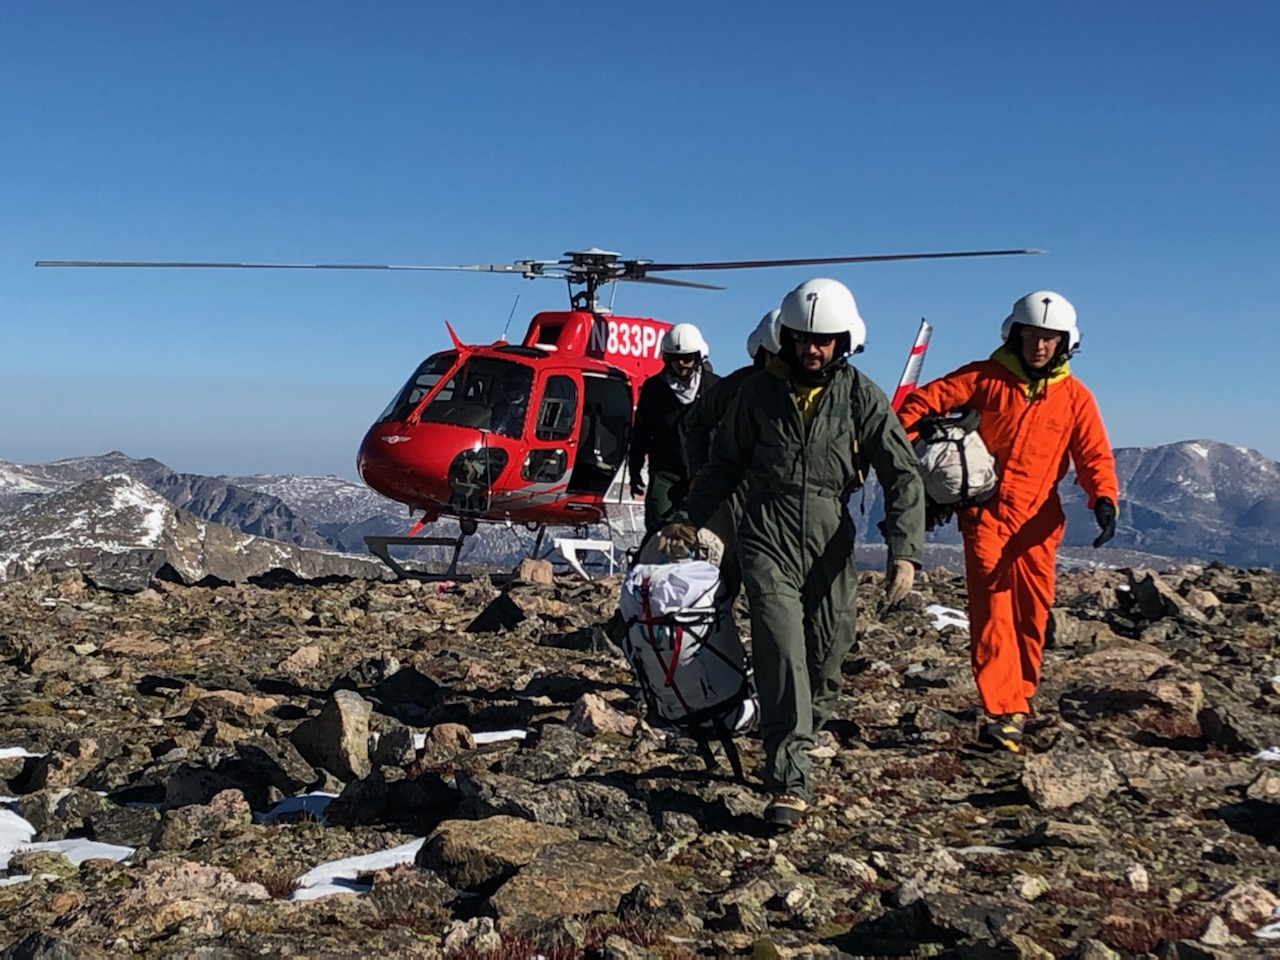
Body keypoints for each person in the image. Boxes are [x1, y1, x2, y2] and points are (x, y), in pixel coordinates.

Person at [661, 278, 924, 825]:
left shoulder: (861, 396)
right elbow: (724, 464)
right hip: (767, 533)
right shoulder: (756, 394)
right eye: (804, 338)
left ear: (842, 342)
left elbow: (901, 471)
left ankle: (807, 721)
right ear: (787, 337)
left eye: (824, 340)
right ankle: (788, 776)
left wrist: (905, 550)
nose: (812, 348)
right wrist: (688, 516)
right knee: (781, 650)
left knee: (829, 649)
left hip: (831, 537)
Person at [896, 291, 1119, 753]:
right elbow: (918, 404)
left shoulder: (1076, 398)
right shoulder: (984, 377)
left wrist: (1104, 499)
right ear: (1015, 335)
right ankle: (1002, 711)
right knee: (994, 610)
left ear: (1065, 343)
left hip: (1040, 522)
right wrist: (914, 443)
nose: (1039, 346)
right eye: (1032, 336)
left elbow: (1093, 454)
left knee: (1032, 614)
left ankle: (1019, 699)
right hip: (986, 514)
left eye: (1049, 339)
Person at [680, 309, 782, 599]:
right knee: (728, 567)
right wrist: (699, 472)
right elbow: (697, 422)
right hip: (732, 487)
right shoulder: (736, 386)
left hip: (776, 491)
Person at [629, 322, 719, 535]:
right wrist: (635, 470)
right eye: (674, 358)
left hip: (705, 475)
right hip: (666, 472)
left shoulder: (714, 388)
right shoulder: (653, 389)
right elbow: (641, 432)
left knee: (707, 530)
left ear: (697, 357)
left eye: (687, 358)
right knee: (658, 527)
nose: (681, 364)